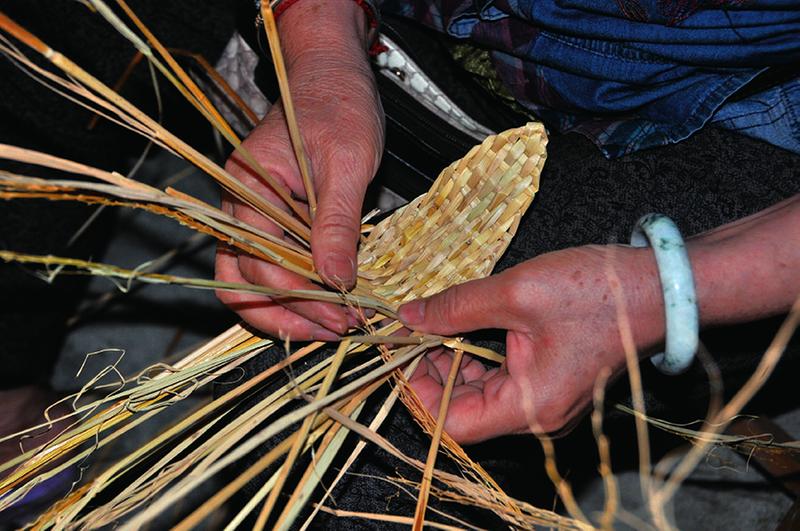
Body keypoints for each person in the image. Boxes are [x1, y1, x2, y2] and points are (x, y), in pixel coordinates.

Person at [216, 0, 800, 444]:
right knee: (273, 374)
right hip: (443, 28)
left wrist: (664, 289)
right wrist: (319, 48)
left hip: (749, 119)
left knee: (369, 437)